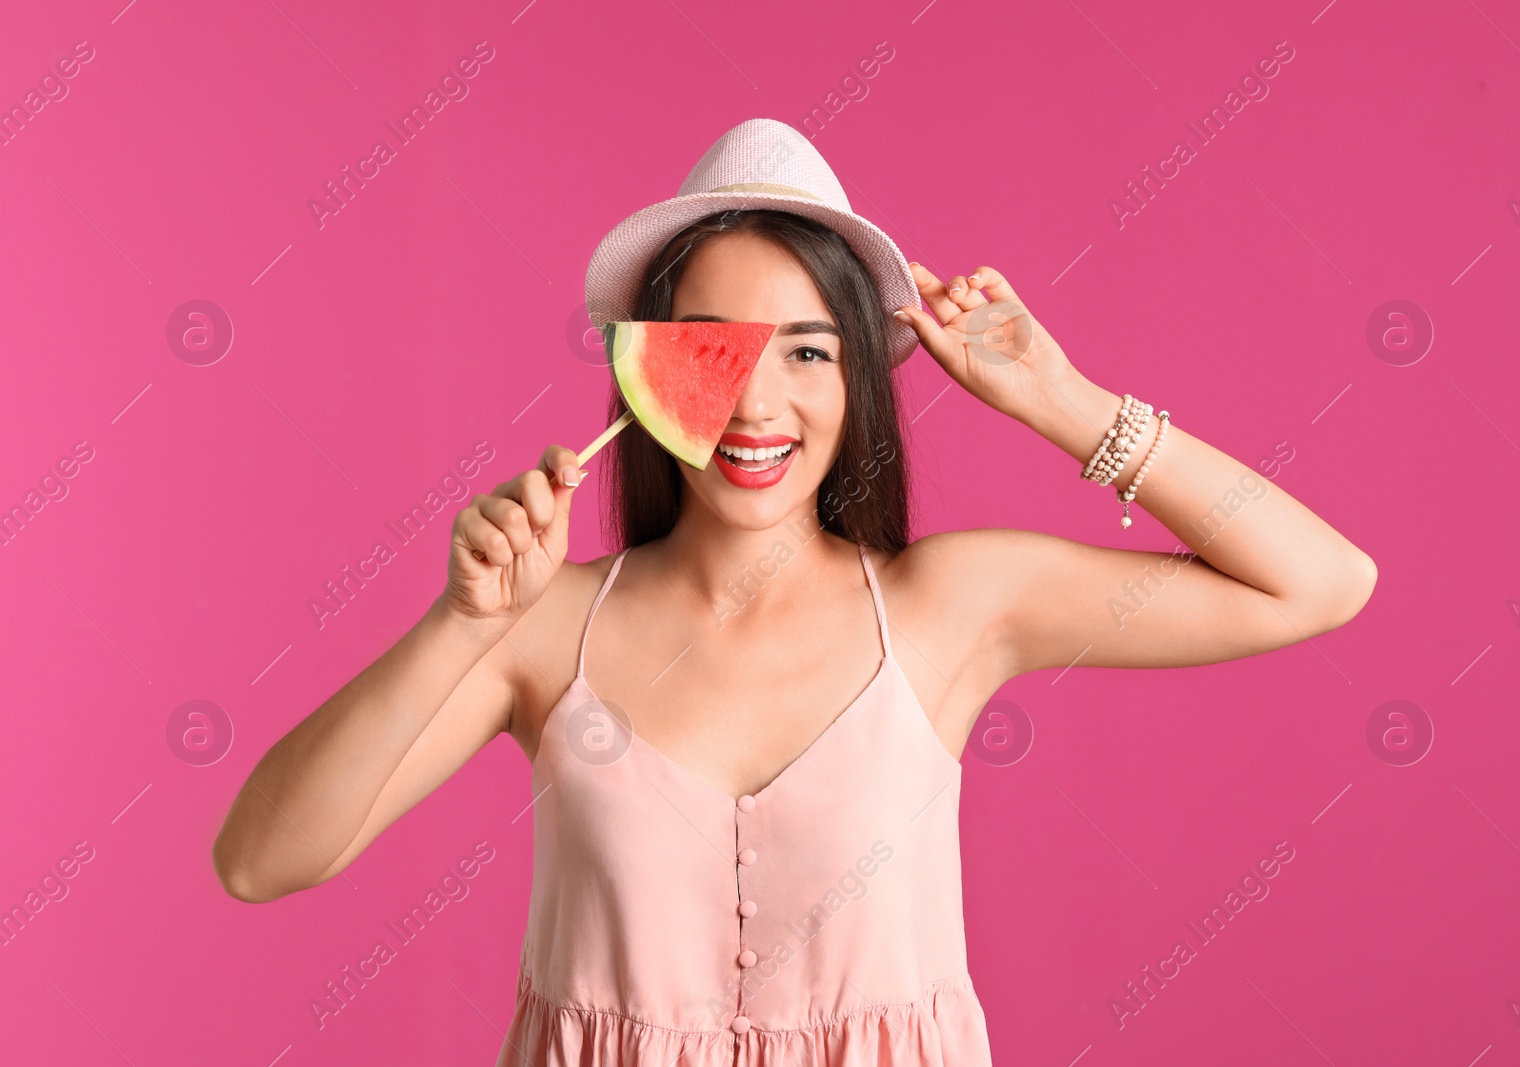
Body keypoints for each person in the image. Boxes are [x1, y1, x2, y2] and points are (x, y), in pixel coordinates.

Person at [211, 118, 1376, 1065]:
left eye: (809, 351)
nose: (759, 405)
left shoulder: (949, 605)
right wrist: (460, 621)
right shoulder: (546, 626)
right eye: (710, 353)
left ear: (860, 380)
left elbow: (1318, 582)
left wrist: (1060, 402)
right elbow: (260, 859)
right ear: (645, 373)